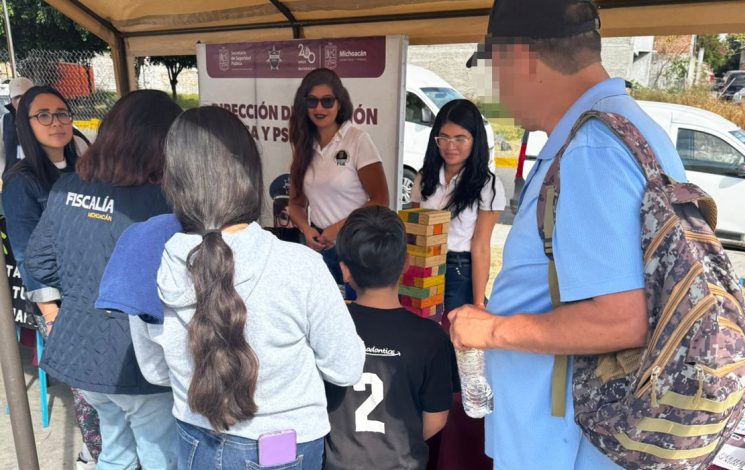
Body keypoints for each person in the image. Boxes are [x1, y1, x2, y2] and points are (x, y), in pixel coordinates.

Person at [449, 1, 687, 469]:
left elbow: (623, 318)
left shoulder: (593, 149)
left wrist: (491, 329)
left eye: (494, 71)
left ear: (519, 59)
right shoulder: (619, 130)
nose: (496, 91)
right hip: (567, 431)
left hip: (562, 440)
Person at [126, 106, 365, 470]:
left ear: (172, 178)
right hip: (285, 447)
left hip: (195, 437)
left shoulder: (147, 262)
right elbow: (345, 368)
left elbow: (155, 372)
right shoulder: (301, 266)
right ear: (250, 172)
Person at [24, 89, 183, 469]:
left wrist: (71, 300)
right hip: (140, 361)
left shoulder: (67, 189)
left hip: (82, 355)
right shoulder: (163, 201)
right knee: (160, 456)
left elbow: (38, 263)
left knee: (114, 453)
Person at [0, 85, 99, 465]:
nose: (55, 122)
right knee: (88, 392)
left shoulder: (85, 168)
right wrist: (52, 315)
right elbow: (25, 253)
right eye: (43, 115)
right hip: (62, 303)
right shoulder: (22, 181)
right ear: (25, 125)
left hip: (95, 292)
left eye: (61, 113)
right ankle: (94, 455)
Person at [325, 206, 454, 470]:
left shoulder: (326, 328)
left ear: (344, 270)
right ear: (406, 263)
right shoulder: (431, 338)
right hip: (403, 462)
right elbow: (436, 419)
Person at [287, 68, 389, 286]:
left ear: (340, 103)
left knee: (355, 317)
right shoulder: (303, 145)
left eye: (327, 101)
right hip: (320, 249)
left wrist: (338, 228)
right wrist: (307, 230)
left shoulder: (358, 139)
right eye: (312, 101)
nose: (319, 108)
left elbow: (380, 199)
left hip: (356, 246)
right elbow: (295, 205)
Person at [410, 98, 505, 316]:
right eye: (443, 137)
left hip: (458, 268)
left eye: (460, 138)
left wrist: (479, 303)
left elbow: (481, 246)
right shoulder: (424, 178)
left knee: (453, 334)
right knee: (423, 328)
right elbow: (415, 231)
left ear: (475, 140)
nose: (450, 146)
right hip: (424, 263)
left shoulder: (487, 185)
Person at [0, 76, 34, 176]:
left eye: (25, 96)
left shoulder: (44, 117)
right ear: (11, 99)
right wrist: (6, 173)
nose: (21, 100)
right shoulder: (5, 121)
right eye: (17, 97)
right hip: (14, 176)